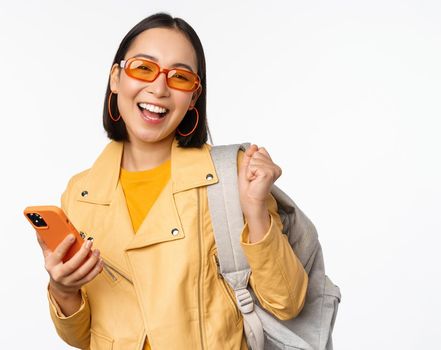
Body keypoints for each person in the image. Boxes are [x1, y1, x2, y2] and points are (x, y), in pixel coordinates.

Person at [36, 12, 309, 349]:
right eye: (143, 68)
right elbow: (82, 337)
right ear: (116, 79)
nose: (160, 87)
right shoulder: (80, 194)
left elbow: (287, 303)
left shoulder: (230, 175)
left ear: (193, 97)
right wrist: (63, 289)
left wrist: (254, 209)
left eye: (180, 77)